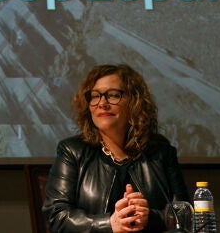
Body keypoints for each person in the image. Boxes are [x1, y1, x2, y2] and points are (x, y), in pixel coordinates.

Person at [43, 63, 188, 233]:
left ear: (134, 102)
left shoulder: (160, 151)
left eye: (113, 95)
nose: (102, 103)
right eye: (95, 96)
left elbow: (185, 215)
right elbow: (56, 215)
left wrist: (149, 216)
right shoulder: (72, 151)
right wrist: (109, 224)